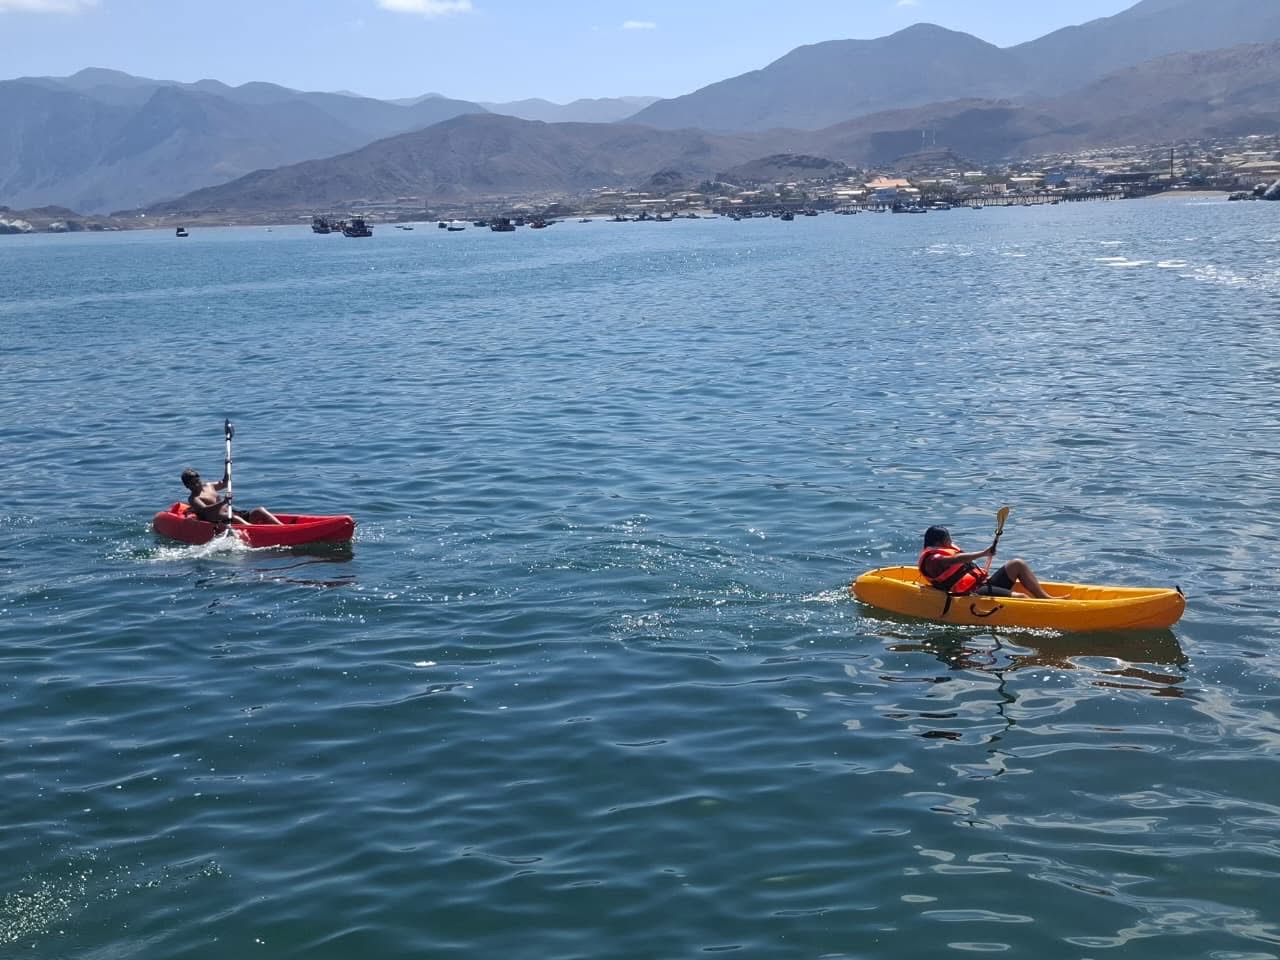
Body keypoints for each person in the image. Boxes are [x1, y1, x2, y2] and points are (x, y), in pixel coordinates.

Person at [918, 524, 1055, 599]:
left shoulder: (944, 550)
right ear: (939, 542)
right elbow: (955, 560)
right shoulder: (932, 560)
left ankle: (1046, 599)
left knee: (1017, 564)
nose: (950, 542)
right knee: (1021, 597)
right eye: (948, 539)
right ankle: (1043, 613)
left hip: (982, 584)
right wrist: (983, 553)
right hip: (971, 593)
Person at [180, 467, 282, 526]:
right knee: (234, 517)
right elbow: (205, 509)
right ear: (187, 486)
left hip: (232, 513)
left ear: (200, 479)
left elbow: (225, 482)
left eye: (197, 481)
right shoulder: (193, 498)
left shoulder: (209, 486)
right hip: (220, 520)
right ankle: (256, 531)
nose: (196, 485)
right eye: (192, 484)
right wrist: (224, 502)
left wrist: (227, 467)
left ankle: (283, 527)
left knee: (259, 510)